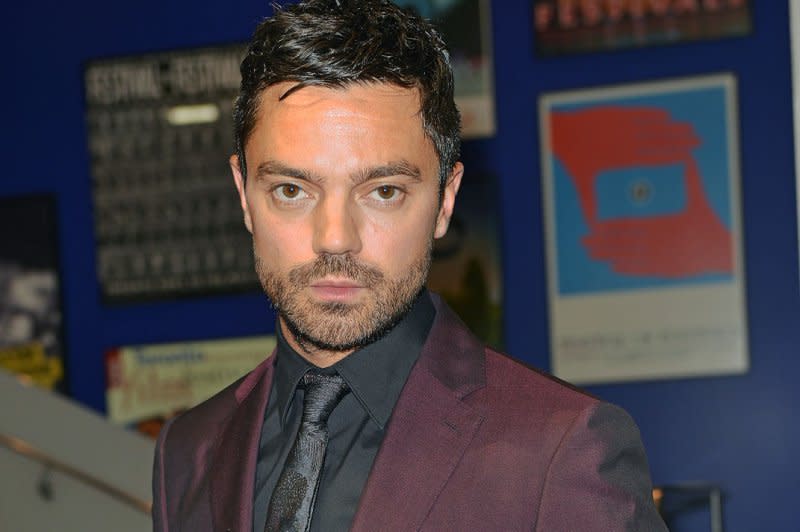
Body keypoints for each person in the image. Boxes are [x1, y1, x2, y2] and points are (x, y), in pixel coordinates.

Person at [151, 1, 668, 530]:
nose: (335, 238)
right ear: (243, 194)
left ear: (445, 200)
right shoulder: (189, 449)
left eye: (383, 191)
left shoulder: (562, 450)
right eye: (291, 190)